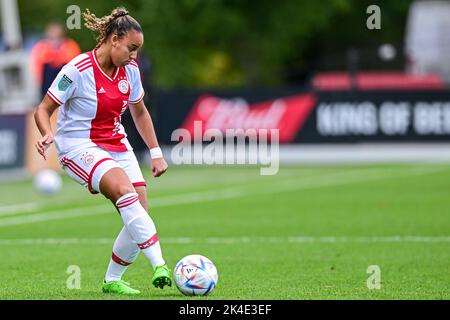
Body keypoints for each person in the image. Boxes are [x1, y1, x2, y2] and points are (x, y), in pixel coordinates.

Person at [33, 7, 171, 295]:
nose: (135, 56)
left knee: (139, 211)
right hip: (78, 146)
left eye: (138, 50)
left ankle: (112, 280)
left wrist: (156, 151)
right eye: (131, 48)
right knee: (124, 190)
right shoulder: (77, 70)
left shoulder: (130, 71)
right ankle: (160, 265)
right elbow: (44, 109)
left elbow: (140, 112)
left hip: (117, 143)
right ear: (114, 40)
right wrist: (47, 133)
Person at [30, 22, 81, 98]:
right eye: (51, 38)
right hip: (46, 90)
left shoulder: (71, 47)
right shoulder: (40, 48)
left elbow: (75, 72)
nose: (54, 42)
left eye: (58, 38)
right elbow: (35, 70)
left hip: (66, 90)